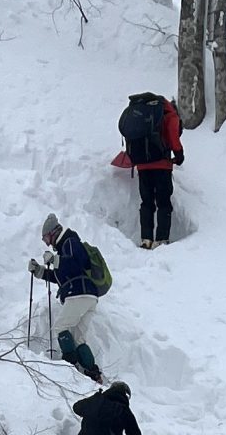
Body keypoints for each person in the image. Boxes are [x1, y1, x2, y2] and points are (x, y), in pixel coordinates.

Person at [27, 214, 105, 380]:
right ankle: (93, 373)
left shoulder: (70, 241)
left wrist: (55, 259)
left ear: (54, 232)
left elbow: (78, 264)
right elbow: (63, 276)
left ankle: (70, 365)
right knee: (78, 339)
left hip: (78, 293)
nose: (47, 243)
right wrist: (40, 271)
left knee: (59, 328)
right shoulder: (64, 250)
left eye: (46, 238)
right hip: (89, 296)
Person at [118, 91, 184, 248]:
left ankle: (146, 239)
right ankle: (161, 239)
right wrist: (179, 154)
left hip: (142, 166)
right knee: (163, 202)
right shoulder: (168, 113)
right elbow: (173, 136)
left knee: (146, 202)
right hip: (161, 165)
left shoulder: (145, 112)